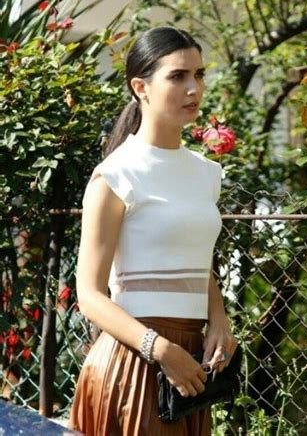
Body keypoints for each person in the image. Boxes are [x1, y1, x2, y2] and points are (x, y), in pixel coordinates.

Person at [68, 27, 239, 435]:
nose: (193, 88)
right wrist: (160, 350)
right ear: (140, 87)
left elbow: (194, 258)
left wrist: (219, 320)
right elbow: (89, 295)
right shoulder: (115, 175)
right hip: (132, 365)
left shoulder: (206, 173)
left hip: (190, 367)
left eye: (198, 75)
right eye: (178, 76)